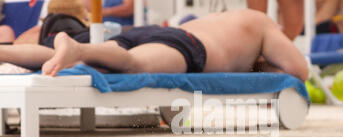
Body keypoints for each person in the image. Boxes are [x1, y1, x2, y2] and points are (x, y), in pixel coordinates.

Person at [0, 10, 309, 82]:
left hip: (160, 32)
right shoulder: (265, 23)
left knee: (119, 55)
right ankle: (77, 50)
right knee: (134, 64)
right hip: (188, 46)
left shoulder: (225, 18)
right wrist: (259, 64)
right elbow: (298, 71)